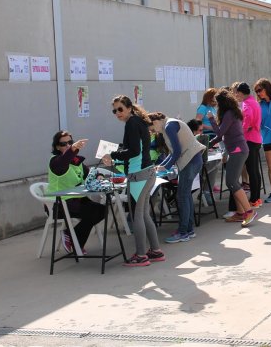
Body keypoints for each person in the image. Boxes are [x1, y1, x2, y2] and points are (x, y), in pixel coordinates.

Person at [102, 95, 164, 267]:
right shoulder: (138, 122)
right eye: (114, 111)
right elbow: (136, 150)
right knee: (143, 214)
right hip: (147, 173)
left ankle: (141, 255)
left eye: (120, 109)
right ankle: (155, 250)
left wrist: (113, 155)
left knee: (137, 216)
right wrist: (119, 155)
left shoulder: (132, 123)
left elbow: (135, 151)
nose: (117, 113)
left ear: (129, 108)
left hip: (139, 175)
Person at [148, 111, 206, 242]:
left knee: (182, 196)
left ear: (156, 121)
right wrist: (161, 166)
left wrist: (165, 167)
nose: (152, 131)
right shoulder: (169, 126)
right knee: (185, 196)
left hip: (190, 161)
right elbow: (174, 152)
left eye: (151, 128)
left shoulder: (169, 126)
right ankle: (188, 229)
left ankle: (183, 231)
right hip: (192, 160)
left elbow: (177, 151)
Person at [47, 131, 105, 254]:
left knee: (102, 210)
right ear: (57, 147)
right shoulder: (55, 161)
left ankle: (71, 237)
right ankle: (74, 240)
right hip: (60, 204)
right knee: (93, 212)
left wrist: (99, 175)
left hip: (77, 200)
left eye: (70, 142)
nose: (68, 146)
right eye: (64, 144)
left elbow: (89, 173)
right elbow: (62, 163)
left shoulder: (76, 161)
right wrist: (73, 149)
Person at [208, 89, 257, 226]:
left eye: (217, 104)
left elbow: (219, 132)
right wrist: (209, 144)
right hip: (237, 150)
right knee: (233, 181)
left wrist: (211, 119)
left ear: (222, 103)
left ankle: (249, 211)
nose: (216, 107)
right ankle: (240, 213)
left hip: (238, 150)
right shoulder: (231, 113)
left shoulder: (229, 114)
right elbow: (222, 136)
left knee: (231, 181)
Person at [235, 82, 263, 208]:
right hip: (256, 139)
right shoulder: (255, 102)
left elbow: (248, 118)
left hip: (250, 140)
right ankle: (257, 198)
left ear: (241, 93)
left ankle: (254, 199)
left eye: (237, 93)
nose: (236, 95)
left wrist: (242, 129)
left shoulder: (247, 103)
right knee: (255, 170)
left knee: (252, 170)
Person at [186, 119, 220, 205]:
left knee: (215, 165)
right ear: (193, 132)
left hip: (196, 168)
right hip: (190, 171)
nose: (202, 133)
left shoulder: (197, 139)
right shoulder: (187, 140)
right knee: (214, 164)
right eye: (200, 130)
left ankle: (206, 192)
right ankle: (206, 193)